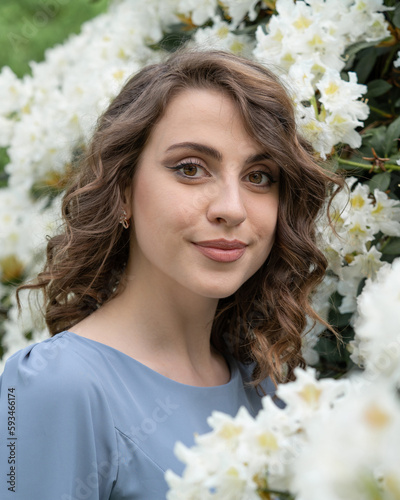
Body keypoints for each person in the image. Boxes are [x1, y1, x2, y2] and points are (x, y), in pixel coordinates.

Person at [0, 49, 340, 499]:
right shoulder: (55, 386)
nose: (231, 209)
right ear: (122, 189)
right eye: (190, 169)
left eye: (259, 176)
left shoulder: (265, 381)